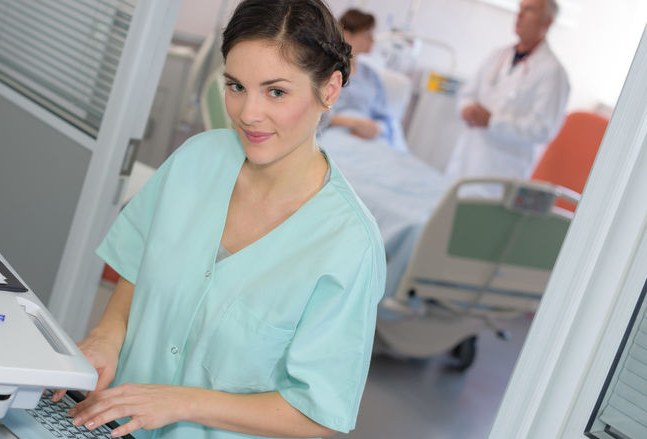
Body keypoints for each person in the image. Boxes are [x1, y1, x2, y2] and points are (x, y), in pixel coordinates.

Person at [51, 1, 387, 438]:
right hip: (111, 427)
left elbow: (319, 417)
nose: (248, 113)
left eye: (276, 92)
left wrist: (182, 401)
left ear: (330, 90)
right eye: (236, 86)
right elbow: (136, 263)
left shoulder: (348, 246)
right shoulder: (196, 160)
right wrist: (106, 336)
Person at [445, 0, 569, 181]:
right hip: (465, 159)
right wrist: (467, 109)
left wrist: (492, 121)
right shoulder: (498, 55)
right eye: (520, 9)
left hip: (501, 173)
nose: (519, 15)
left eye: (529, 10)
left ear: (547, 22)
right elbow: (467, 94)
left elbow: (544, 129)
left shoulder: (553, 72)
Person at [324, 9, 407, 151]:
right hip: (331, 135)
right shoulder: (324, 68)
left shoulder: (371, 76)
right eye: (367, 34)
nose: (373, 40)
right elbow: (312, 111)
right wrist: (354, 123)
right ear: (347, 34)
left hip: (368, 139)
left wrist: (376, 129)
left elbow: (386, 119)